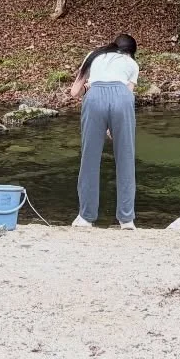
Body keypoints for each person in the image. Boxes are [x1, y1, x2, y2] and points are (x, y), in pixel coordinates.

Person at [69, 32, 139, 229]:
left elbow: (75, 92)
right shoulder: (132, 65)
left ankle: (86, 217)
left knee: (89, 159)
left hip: (94, 98)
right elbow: (127, 94)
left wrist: (90, 86)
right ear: (130, 53)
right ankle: (126, 220)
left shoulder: (94, 55)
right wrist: (112, 126)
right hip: (122, 99)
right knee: (125, 158)